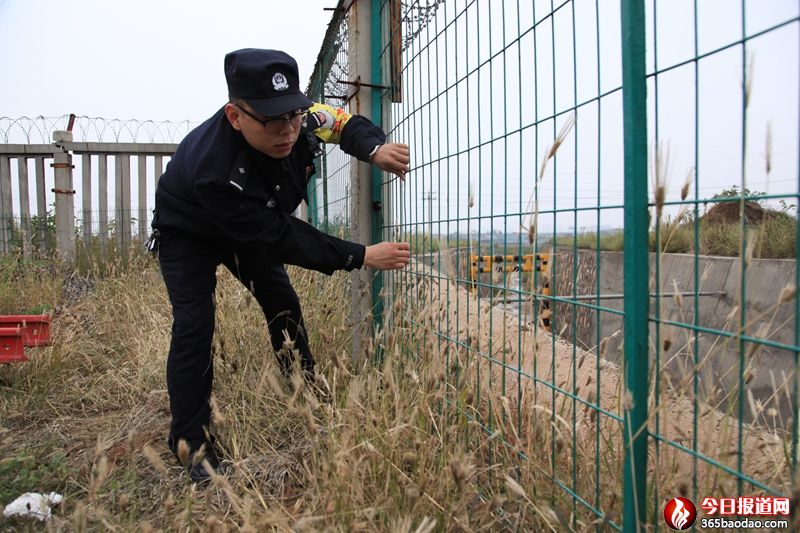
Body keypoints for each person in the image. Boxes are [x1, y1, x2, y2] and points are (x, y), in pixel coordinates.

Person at [150, 48, 411, 483]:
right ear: (236, 116)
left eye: (292, 116)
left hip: (254, 219)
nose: (288, 130)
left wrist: (374, 148)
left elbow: (343, 124)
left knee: (282, 301)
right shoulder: (214, 170)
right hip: (190, 230)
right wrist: (362, 256)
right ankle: (189, 444)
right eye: (272, 122)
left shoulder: (298, 117)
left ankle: (304, 390)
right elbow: (281, 237)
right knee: (195, 324)